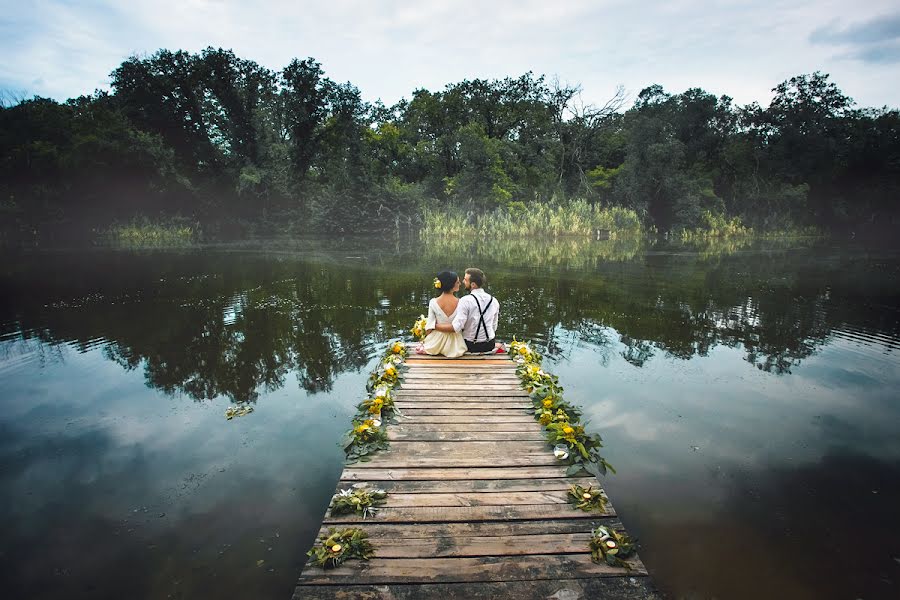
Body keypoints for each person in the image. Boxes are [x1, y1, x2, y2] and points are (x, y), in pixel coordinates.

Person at [433, 267, 500, 353]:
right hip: (490, 344)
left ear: (473, 285)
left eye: (465, 280)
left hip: (471, 345)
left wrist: (434, 326)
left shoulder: (465, 300)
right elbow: (494, 327)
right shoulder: (494, 300)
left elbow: (456, 327)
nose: (463, 282)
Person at [421, 270, 467, 358]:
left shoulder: (433, 302)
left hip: (437, 343)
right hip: (456, 344)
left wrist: (426, 339)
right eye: (457, 282)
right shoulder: (461, 302)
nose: (460, 283)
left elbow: (429, 327)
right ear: (452, 285)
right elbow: (462, 326)